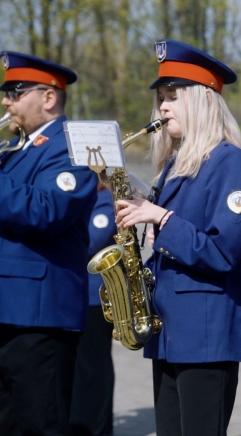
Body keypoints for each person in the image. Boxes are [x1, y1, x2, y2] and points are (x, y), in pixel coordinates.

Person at [114, 39, 241, 436]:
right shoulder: (175, 164)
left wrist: (161, 217)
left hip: (205, 335)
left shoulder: (228, 161)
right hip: (171, 330)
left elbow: (222, 252)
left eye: (172, 96)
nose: (162, 107)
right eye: (161, 97)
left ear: (200, 101)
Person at [0, 51, 98, 435]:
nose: (6, 101)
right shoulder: (16, 150)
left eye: (15, 91)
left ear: (49, 97)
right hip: (9, 309)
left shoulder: (72, 145)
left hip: (39, 315)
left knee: (41, 425)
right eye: (5, 92)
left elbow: (46, 210)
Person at [71, 172, 116, 436]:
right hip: (74, 298)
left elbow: (93, 242)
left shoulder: (103, 200)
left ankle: (96, 429)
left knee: (93, 368)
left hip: (93, 299)